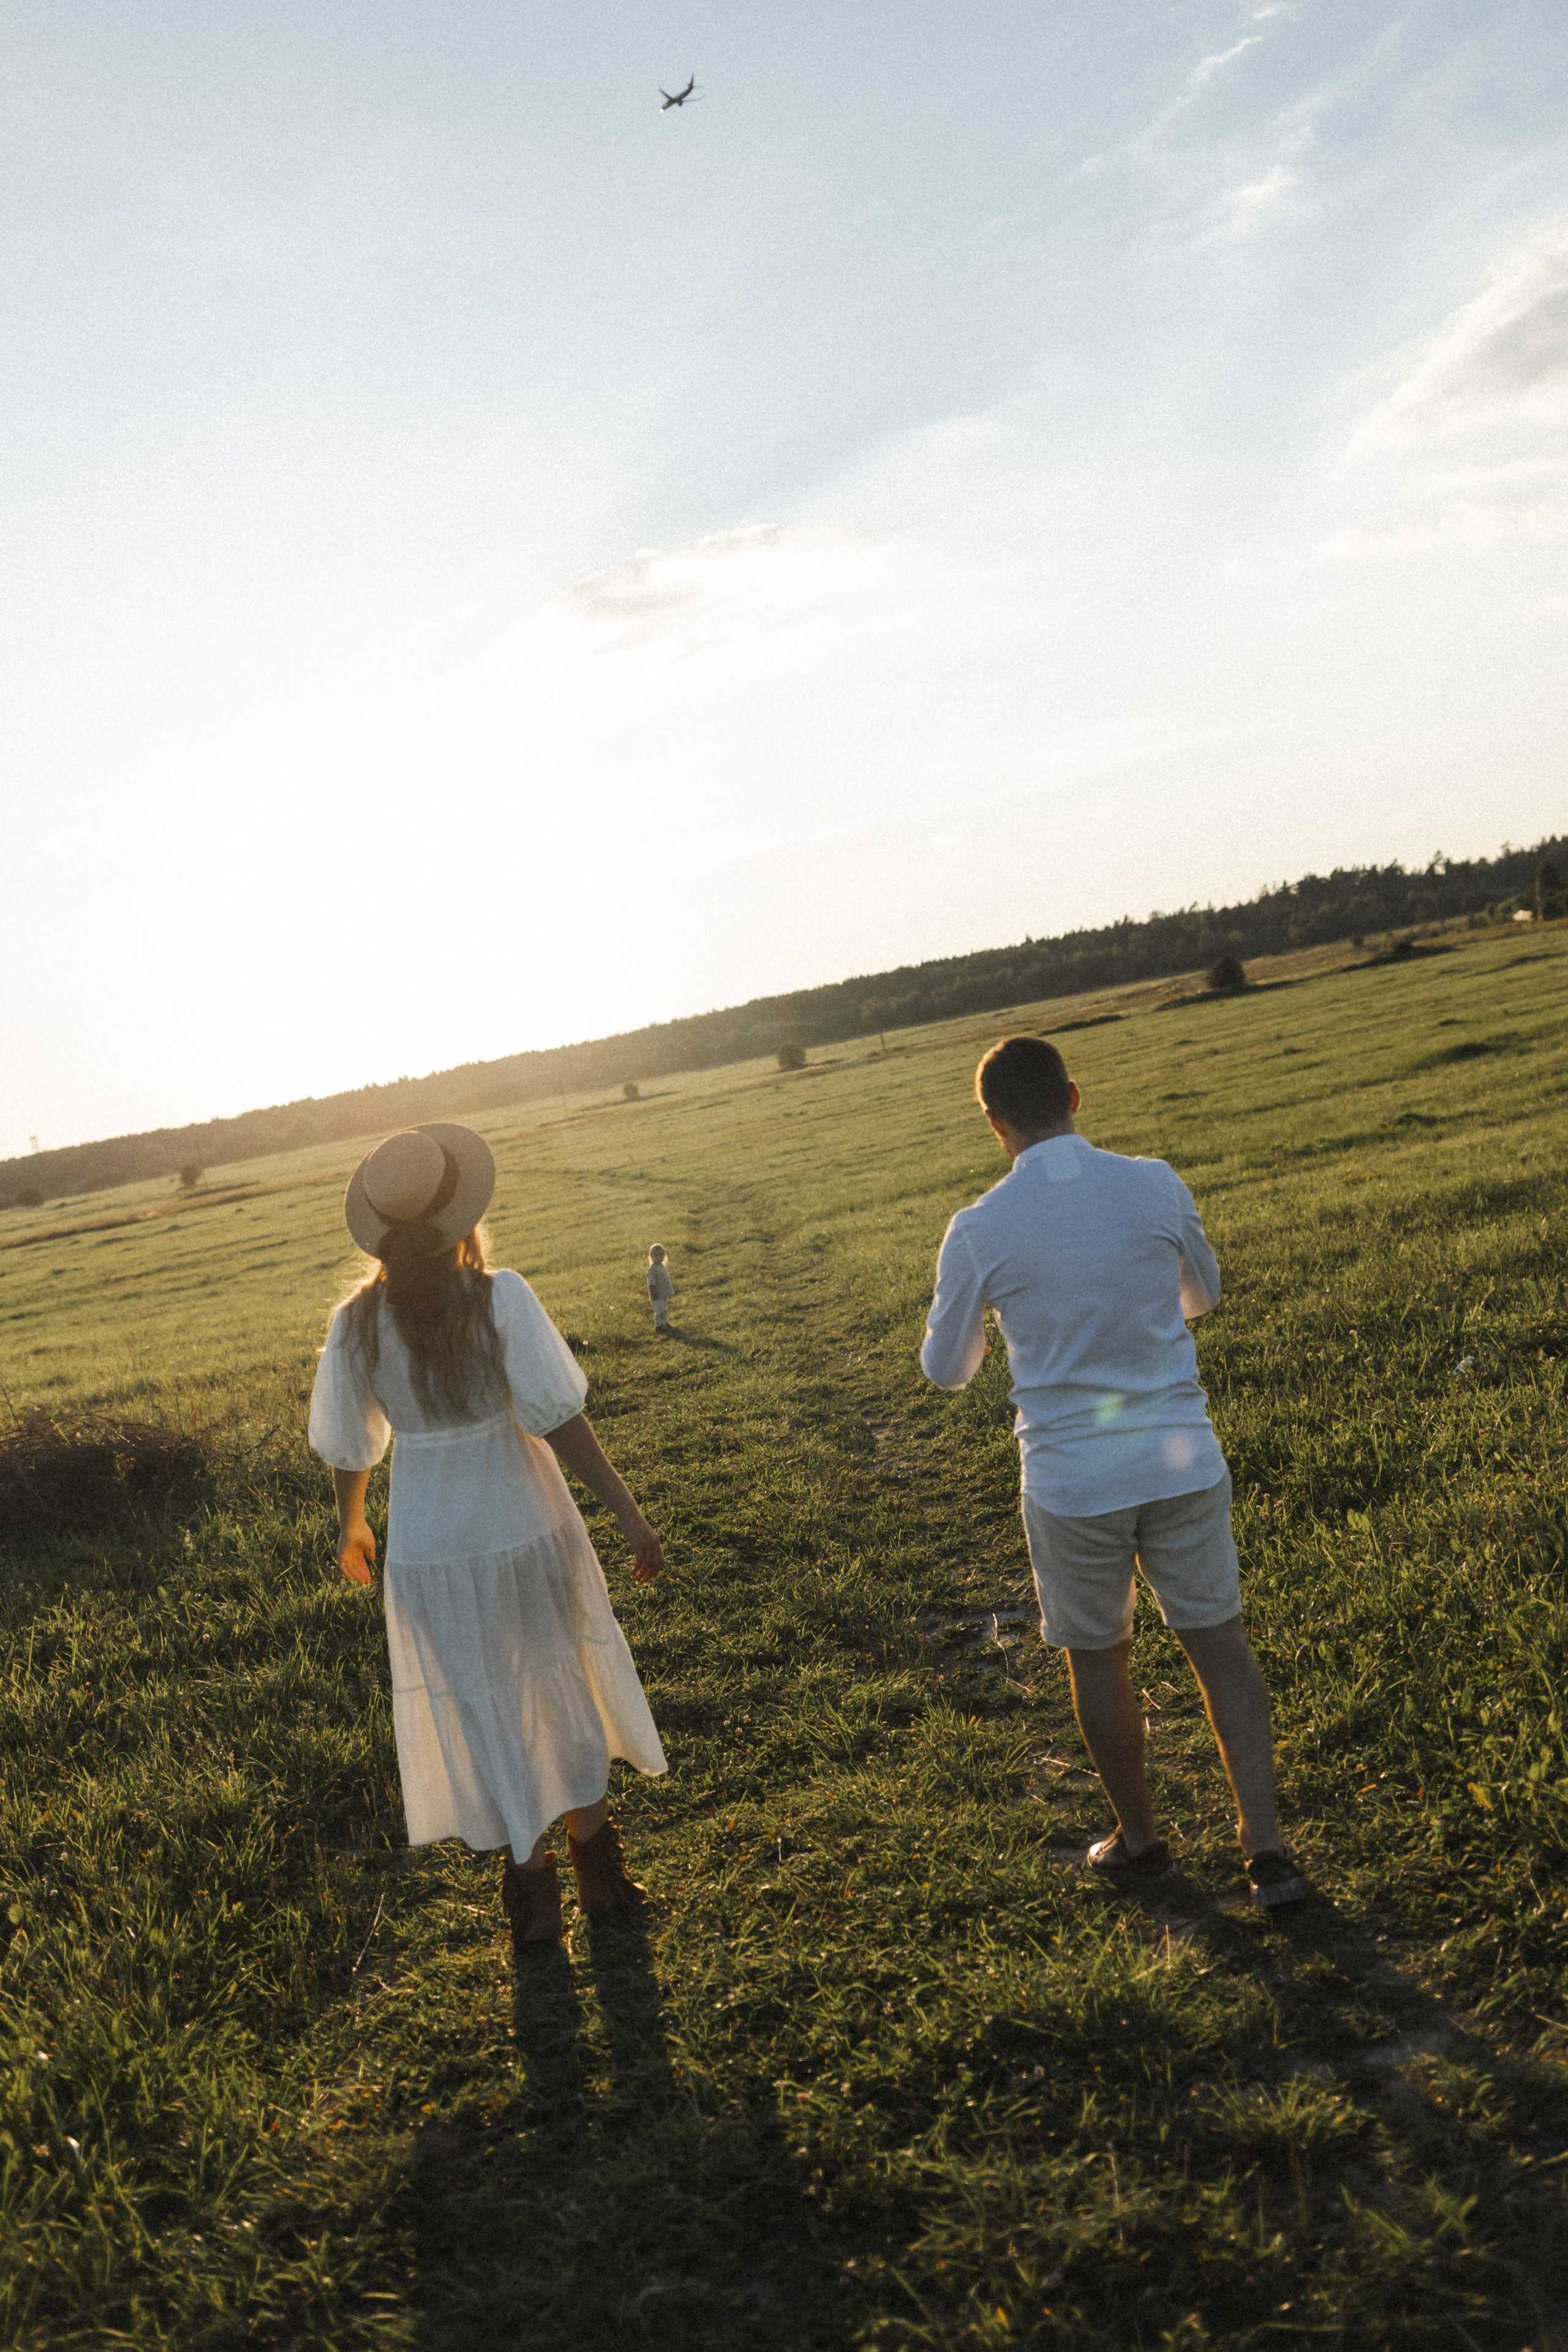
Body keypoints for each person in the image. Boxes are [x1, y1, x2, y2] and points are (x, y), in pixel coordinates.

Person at [920, 1037, 1309, 1906]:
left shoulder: (978, 1228)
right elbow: (1202, 1294)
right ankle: (1267, 1848)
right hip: (1180, 1457)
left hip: (1072, 1482)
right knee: (1219, 1643)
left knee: (1099, 1659)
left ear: (994, 1122)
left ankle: (1142, 1844)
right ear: (1074, 1097)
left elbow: (947, 1372)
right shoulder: (1156, 1183)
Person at [309, 1122, 669, 1954]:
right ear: (461, 1214)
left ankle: (531, 1896)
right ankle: (598, 1876)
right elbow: (560, 1419)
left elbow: (350, 1446)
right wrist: (627, 1512)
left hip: (430, 1544)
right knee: (560, 1685)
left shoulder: (355, 1325)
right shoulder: (501, 1297)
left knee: (483, 1705)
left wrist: (352, 1524)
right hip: (522, 1513)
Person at [646, 1243, 675, 1334]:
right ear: (651, 1257)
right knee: (659, 1311)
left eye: (661, 1255)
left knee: (664, 1309)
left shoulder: (662, 1267)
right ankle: (659, 1326)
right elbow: (651, 1284)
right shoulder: (652, 1270)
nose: (659, 1257)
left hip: (663, 1293)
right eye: (656, 1255)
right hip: (656, 1295)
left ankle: (665, 1323)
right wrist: (654, 1294)